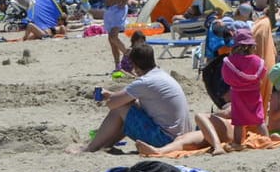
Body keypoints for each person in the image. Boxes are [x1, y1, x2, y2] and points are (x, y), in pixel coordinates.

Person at [71, 44, 203, 154]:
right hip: (182, 137)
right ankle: (104, 145)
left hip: (166, 141)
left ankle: (91, 148)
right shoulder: (161, 75)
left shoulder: (145, 82)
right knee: (130, 112)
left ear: (135, 65)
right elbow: (132, 102)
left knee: (120, 109)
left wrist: (109, 96)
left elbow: (113, 104)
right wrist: (111, 94)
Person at [220, 29, 267, 149]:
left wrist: (237, 83)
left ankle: (237, 143)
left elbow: (226, 78)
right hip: (254, 93)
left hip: (237, 93)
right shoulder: (258, 61)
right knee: (259, 119)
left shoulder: (230, 62)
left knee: (239, 121)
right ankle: (267, 140)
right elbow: (262, 74)